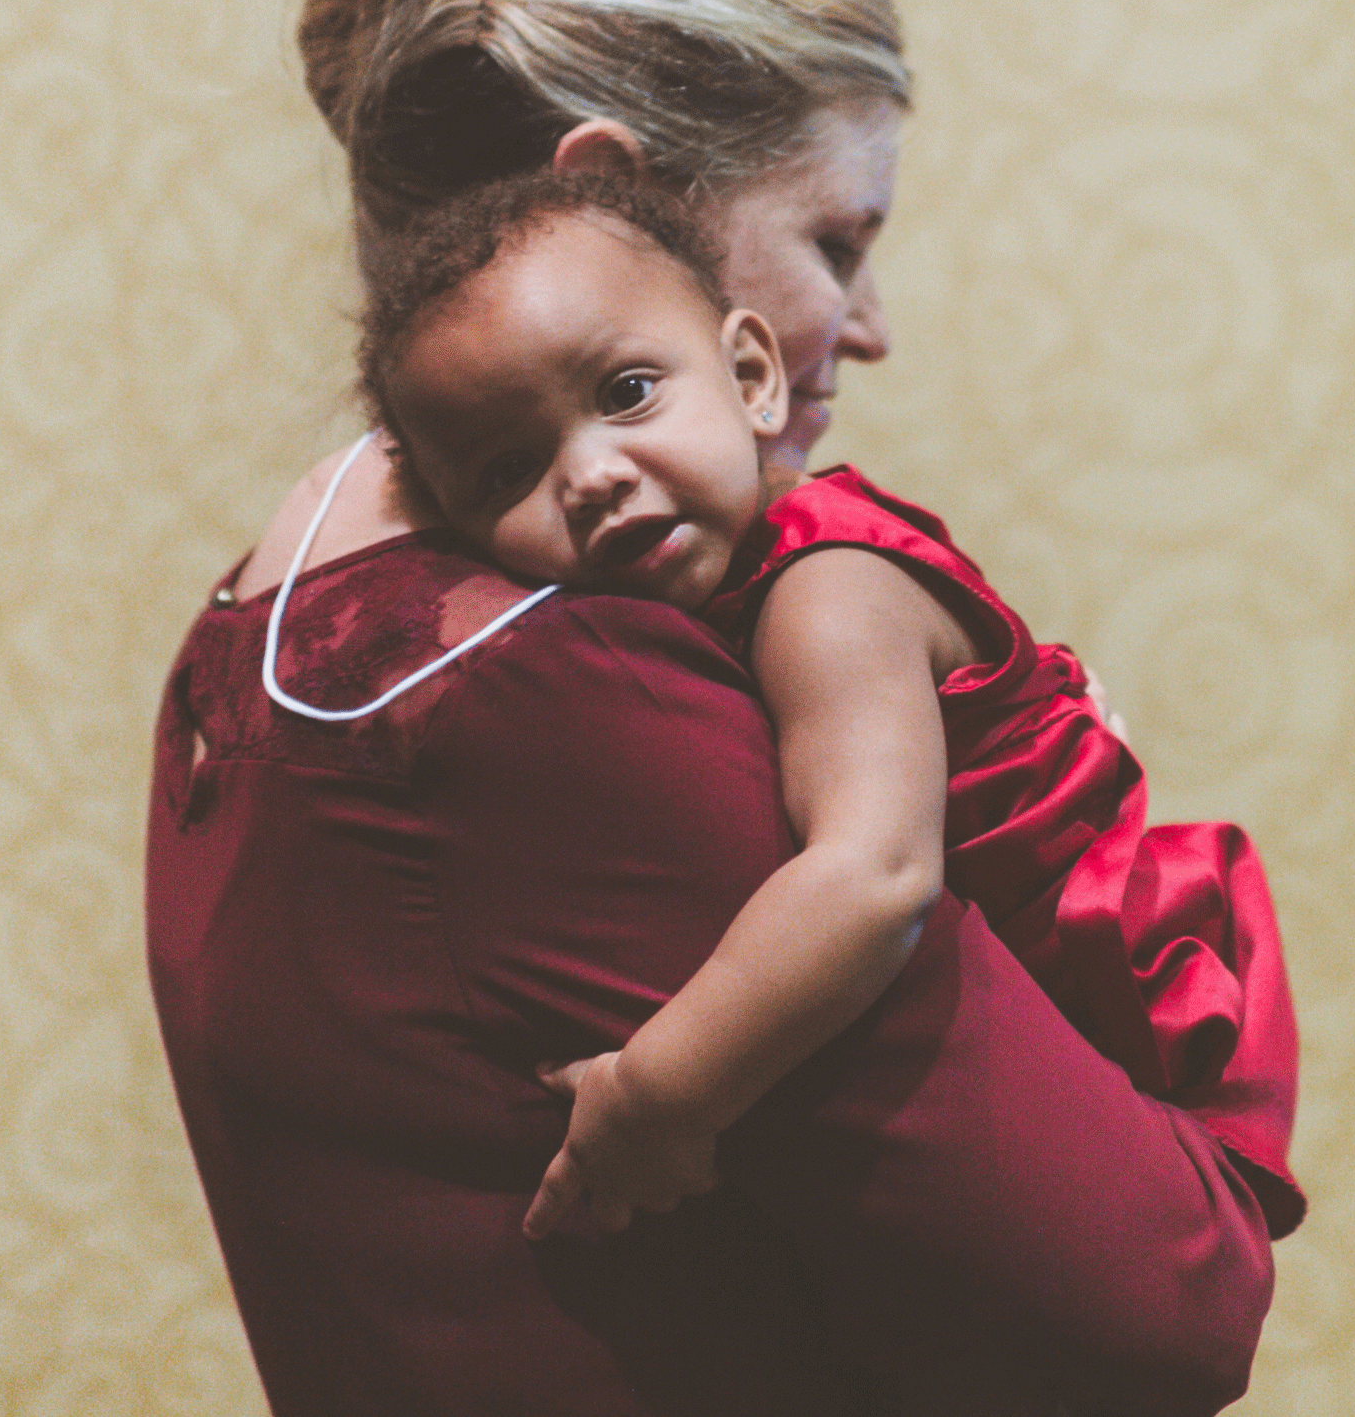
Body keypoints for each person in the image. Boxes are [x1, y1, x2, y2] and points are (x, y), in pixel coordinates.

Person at [147, 0, 1286, 1416]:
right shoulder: (545, 687)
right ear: (608, 188)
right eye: (834, 239)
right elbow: (1160, 1305)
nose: (863, 328)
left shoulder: (271, 619)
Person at [346, 169, 1303, 1248]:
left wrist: (659, 1093)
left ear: (751, 374)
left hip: (1124, 1027)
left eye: (623, 393)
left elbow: (871, 877)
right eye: (507, 469)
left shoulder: (824, 590)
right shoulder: (665, 624)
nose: (591, 475)